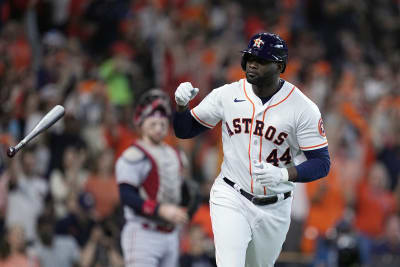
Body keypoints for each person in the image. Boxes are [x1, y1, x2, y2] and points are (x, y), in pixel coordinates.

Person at [173, 32, 331, 267]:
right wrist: (181, 106)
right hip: (231, 195)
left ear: (279, 66)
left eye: (261, 60)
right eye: (249, 58)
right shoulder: (228, 94)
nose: (252, 64)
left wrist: (284, 174)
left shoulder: (303, 108)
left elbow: (321, 163)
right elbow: (185, 130)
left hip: (275, 207)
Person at [116, 89, 189, 267]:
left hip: (170, 233)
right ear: (141, 122)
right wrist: (159, 209)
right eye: (153, 120)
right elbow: (126, 196)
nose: (159, 125)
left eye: (162, 120)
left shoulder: (175, 154)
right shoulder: (133, 155)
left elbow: (182, 191)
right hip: (143, 232)